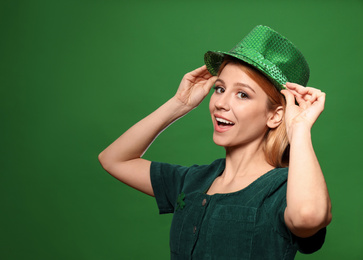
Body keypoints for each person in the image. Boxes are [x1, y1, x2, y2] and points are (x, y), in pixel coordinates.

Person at [98, 25, 332, 259]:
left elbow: (308, 216)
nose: (220, 103)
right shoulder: (192, 181)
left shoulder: (284, 189)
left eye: (242, 94)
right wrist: (180, 103)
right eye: (219, 89)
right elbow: (114, 159)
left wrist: (298, 129)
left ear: (275, 116)